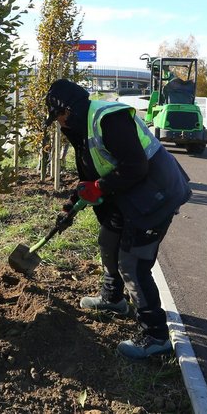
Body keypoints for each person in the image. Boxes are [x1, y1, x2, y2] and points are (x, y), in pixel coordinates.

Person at [45, 78, 192, 358]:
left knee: (133, 263)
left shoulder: (108, 119)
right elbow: (91, 173)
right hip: (132, 192)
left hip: (156, 194)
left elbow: (135, 166)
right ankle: (113, 299)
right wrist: (70, 207)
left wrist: (100, 188)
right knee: (109, 240)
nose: (60, 124)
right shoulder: (85, 128)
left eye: (60, 116)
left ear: (70, 109)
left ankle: (155, 335)